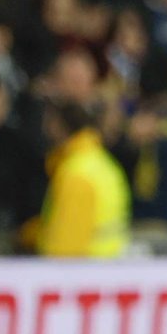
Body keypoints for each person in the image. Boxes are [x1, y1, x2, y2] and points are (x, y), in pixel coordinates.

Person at [35, 100, 131, 258]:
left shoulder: (76, 172)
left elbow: (66, 246)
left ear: (58, 126)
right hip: (108, 262)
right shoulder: (102, 162)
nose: (45, 129)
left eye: (49, 123)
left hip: (85, 266)